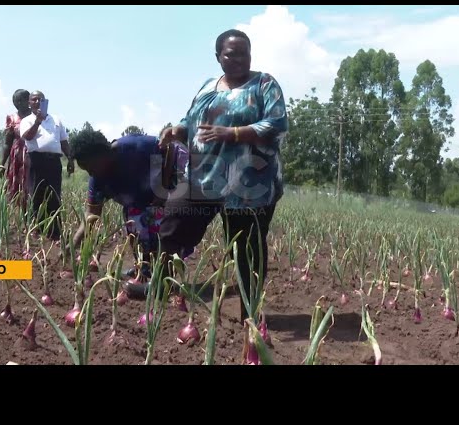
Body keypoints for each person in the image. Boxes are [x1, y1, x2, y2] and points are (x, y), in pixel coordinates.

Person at [157, 28, 288, 323]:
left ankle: (249, 313)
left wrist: (234, 133)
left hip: (248, 186)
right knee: (171, 227)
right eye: (232, 53)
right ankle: (161, 288)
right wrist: (176, 131)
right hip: (202, 178)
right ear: (218, 57)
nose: (239, 58)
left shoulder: (264, 84)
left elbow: (277, 123)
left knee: (246, 249)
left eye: (245, 52)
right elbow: (191, 119)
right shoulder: (207, 86)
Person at [67, 128, 187, 284]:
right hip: (138, 202)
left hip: (166, 193)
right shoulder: (98, 180)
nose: (91, 174)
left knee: (158, 227)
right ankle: (143, 270)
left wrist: (163, 188)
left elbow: (170, 148)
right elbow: (91, 214)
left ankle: (164, 276)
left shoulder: (136, 147)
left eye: (91, 167)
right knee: (134, 221)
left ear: (102, 155)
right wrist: (72, 245)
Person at [19, 90, 74, 241]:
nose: (37, 102)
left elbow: (63, 142)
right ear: (29, 103)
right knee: (36, 195)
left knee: (54, 196)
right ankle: (36, 231)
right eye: (34, 100)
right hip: (36, 161)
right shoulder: (27, 120)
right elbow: (28, 137)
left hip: (54, 162)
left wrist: (70, 158)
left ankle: (55, 232)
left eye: (40, 99)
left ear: (45, 102)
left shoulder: (56, 119)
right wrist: (38, 121)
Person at [0, 89, 32, 208]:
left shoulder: (36, 116)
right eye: (15, 101)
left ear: (28, 101)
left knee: (31, 186)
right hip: (17, 157)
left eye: (20, 100)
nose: (17, 103)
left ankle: (33, 217)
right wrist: (2, 164)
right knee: (17, 189)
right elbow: (7, 143)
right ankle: (21, 218)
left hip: (32, 155)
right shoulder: (12, 118)